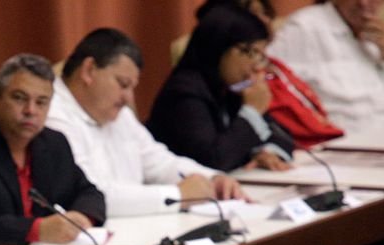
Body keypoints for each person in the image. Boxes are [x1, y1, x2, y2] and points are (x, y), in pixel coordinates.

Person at [47, 28, 244, 217]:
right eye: (123, 84)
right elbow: (92, 194)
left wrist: (212, 179)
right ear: (89, 71)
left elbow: (159, 161)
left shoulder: (115, 112)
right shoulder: (51, 115)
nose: (128, 98)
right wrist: (178, 196)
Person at [0, 54, 106, 245]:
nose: (31, 110)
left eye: (41, 102)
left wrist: (81, 217)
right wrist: (35, 230)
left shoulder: (54, 143)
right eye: (20, 98)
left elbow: (89, 192)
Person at [147, 0, 295, 172]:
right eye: (250, 52)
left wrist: (265, 152)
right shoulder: (184, 93)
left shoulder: (231, 87)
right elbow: (213, 160)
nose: (257, 66)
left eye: (260, 55)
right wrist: (252, 112)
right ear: (219, 45)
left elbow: (283, 136)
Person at [267, 0, 384, 134]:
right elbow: (267, 81)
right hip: (350, 145)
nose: (363, 3)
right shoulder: (304, 27)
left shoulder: (378, 32)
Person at [238, 0, 345, 148]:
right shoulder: (241, 77)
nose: (266, 20)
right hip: (298, 148)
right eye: (254, 14)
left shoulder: (276, 66)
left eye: (265, 13)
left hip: (323, 141)